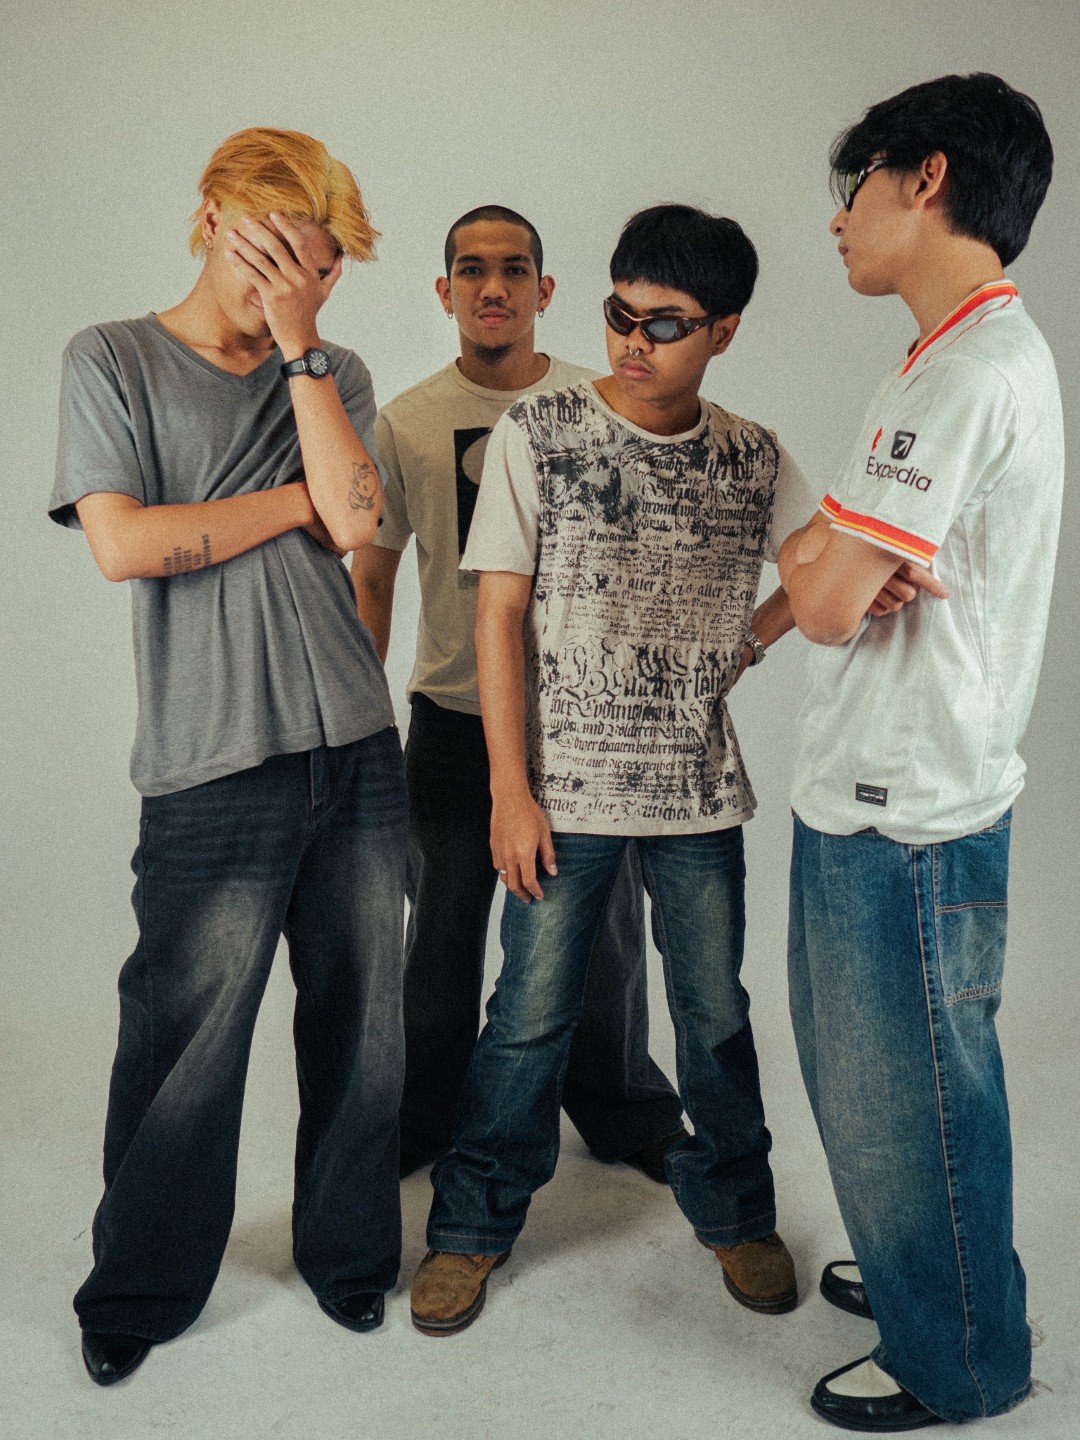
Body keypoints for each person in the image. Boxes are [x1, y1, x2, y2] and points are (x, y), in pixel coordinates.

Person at [409, 203, 817, 1337]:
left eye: (666, 324)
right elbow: (497, 615)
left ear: (723, 330)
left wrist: (748, 641)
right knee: (527, 1016)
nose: (635, 342)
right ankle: (470, 1228)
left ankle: (736, 1212)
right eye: (619, 315)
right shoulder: (539, 432)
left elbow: (823, 565)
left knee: (714, 1013)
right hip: (567, 791)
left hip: (697, 795)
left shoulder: (752, 455)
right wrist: (510, 790)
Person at [51, 127, 408, 1385]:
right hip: (211, 757)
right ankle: (141, 1287)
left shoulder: (333, 370)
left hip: (356, 747)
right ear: (213, 220)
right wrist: (290, 503)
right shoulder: (113, 359)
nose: (296, 287)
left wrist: (301, 347)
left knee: (364, 1027)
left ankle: (350, 1256)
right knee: (184, 1041)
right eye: (275, 258)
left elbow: (358, 522)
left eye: (321, 268)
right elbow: (124, 545)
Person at [778, 73, 1060, 1430]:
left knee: (915, 1098)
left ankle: (961, 1359)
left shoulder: (964, 371)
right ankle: (926, 1270)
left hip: (908, 804)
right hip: (888, 781)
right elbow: (829, 568)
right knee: (879, 1078)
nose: (839, 220)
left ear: (926, 176)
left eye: (857, 187)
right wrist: (831, 552)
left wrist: (827, 556)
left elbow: (826, 601)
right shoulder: (956, 353)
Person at [351, 205, 685, 1180]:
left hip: (584, 725)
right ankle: (424, 1116)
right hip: (452, 724)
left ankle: (622, 1109)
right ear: (444, 290)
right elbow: (373, 579)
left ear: (544, 290)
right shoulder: (405, 422)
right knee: (440, 940)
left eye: (512, 269)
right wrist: (360, 723)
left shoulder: (606, 403)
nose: (491, 287)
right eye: (470, 269)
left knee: (605, 940)